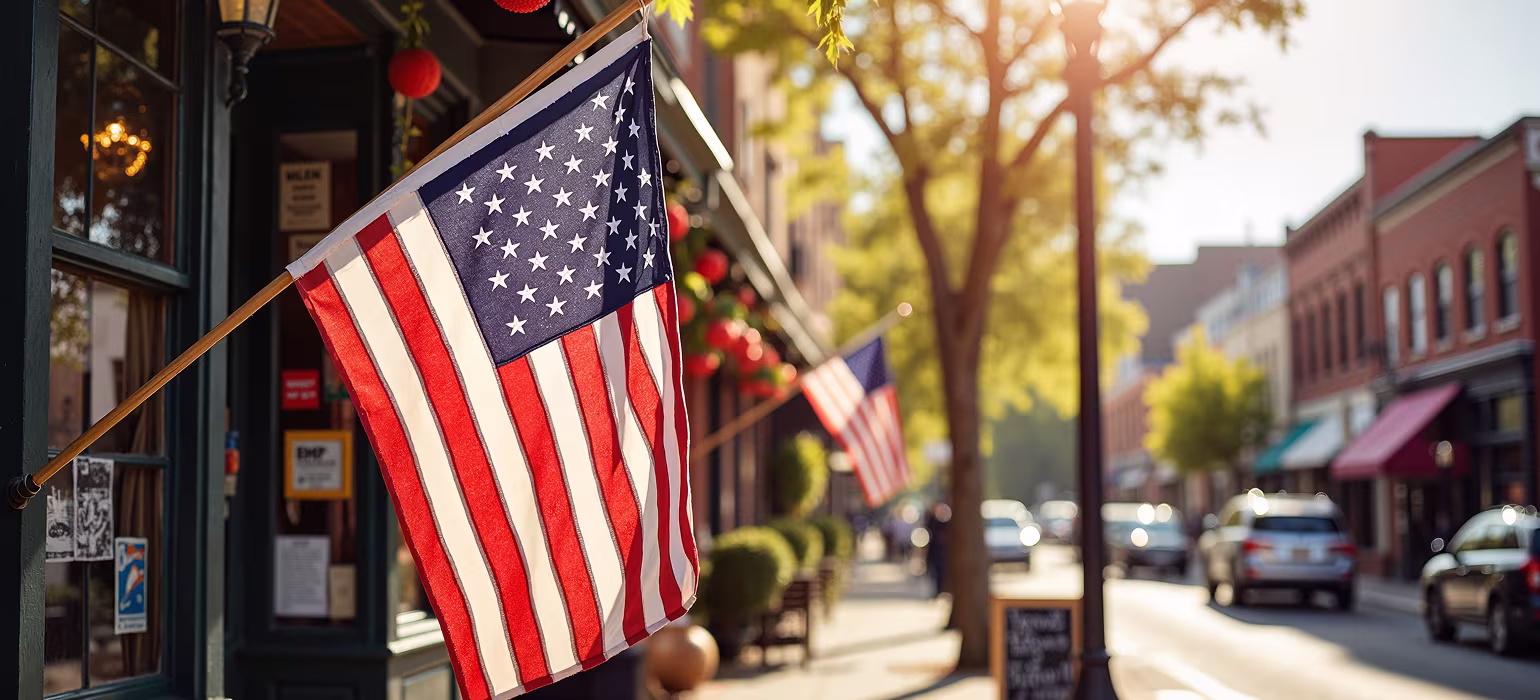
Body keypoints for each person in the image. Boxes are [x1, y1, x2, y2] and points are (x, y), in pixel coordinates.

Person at [924, 503, 952, 598]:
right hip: (936, 553)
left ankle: (944, 589)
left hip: (944, 553)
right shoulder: (933, 522)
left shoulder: (948, 523)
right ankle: (939, 590)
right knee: (936, 573)